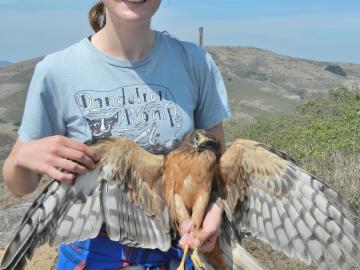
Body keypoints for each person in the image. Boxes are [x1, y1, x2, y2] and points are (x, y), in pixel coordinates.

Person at [2, 0, 231, 269]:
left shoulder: (195, 63)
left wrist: (214, 212)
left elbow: (217, 168)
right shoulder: (56, 71)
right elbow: (19, 186)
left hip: (176, 253)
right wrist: (20, 158)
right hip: (91, 257)